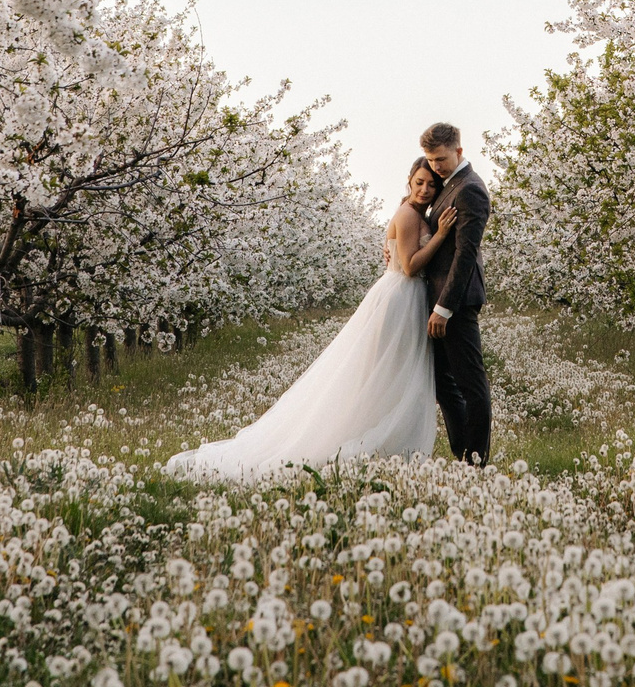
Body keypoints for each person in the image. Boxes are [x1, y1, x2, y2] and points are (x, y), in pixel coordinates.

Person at [164, 157, 454, 478]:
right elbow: (411, 266)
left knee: (389, 374)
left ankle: (384, 445)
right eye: (419, 183)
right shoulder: (408, 214)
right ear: (409, 182)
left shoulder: (413, 214)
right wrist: (440, 235)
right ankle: (372, 444)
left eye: (431, 184)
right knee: (388, 373)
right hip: (402, 296)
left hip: (402, 295)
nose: (426, 189)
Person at [417, 122, 492, 465]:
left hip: (457, 302)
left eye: (442, 159)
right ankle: (463, 452)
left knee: (470, 384)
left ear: (459, 151)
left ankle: (476, 461)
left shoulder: (470, 189)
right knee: (441, 381)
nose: (436, 166)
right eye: (431, 160)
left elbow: (465, 253)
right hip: (438, 297)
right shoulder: (448, 185)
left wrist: (444, 308)